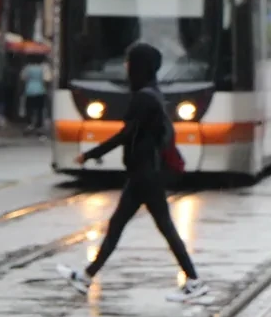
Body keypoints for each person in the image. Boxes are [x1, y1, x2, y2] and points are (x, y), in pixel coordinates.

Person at [56, 42, 207, 302]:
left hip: (145, 175)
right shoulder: (153, 95)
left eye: (130, 62)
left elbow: (126, 135)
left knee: (156, 228)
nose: (126, 67)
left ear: (139, 66)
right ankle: (88, 275)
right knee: (124, 226)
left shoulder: (143, 99)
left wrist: (91, 154)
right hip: (146, 173)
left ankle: (194, 281)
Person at [21, 56, 47, 132]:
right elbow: (47, 78)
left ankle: (29, 124)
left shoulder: (27, 68)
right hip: (40, 90)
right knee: (40, 109)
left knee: (29, 108)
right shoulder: (43, 67)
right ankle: (39, 124)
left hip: (29, 90)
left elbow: (23, 78)